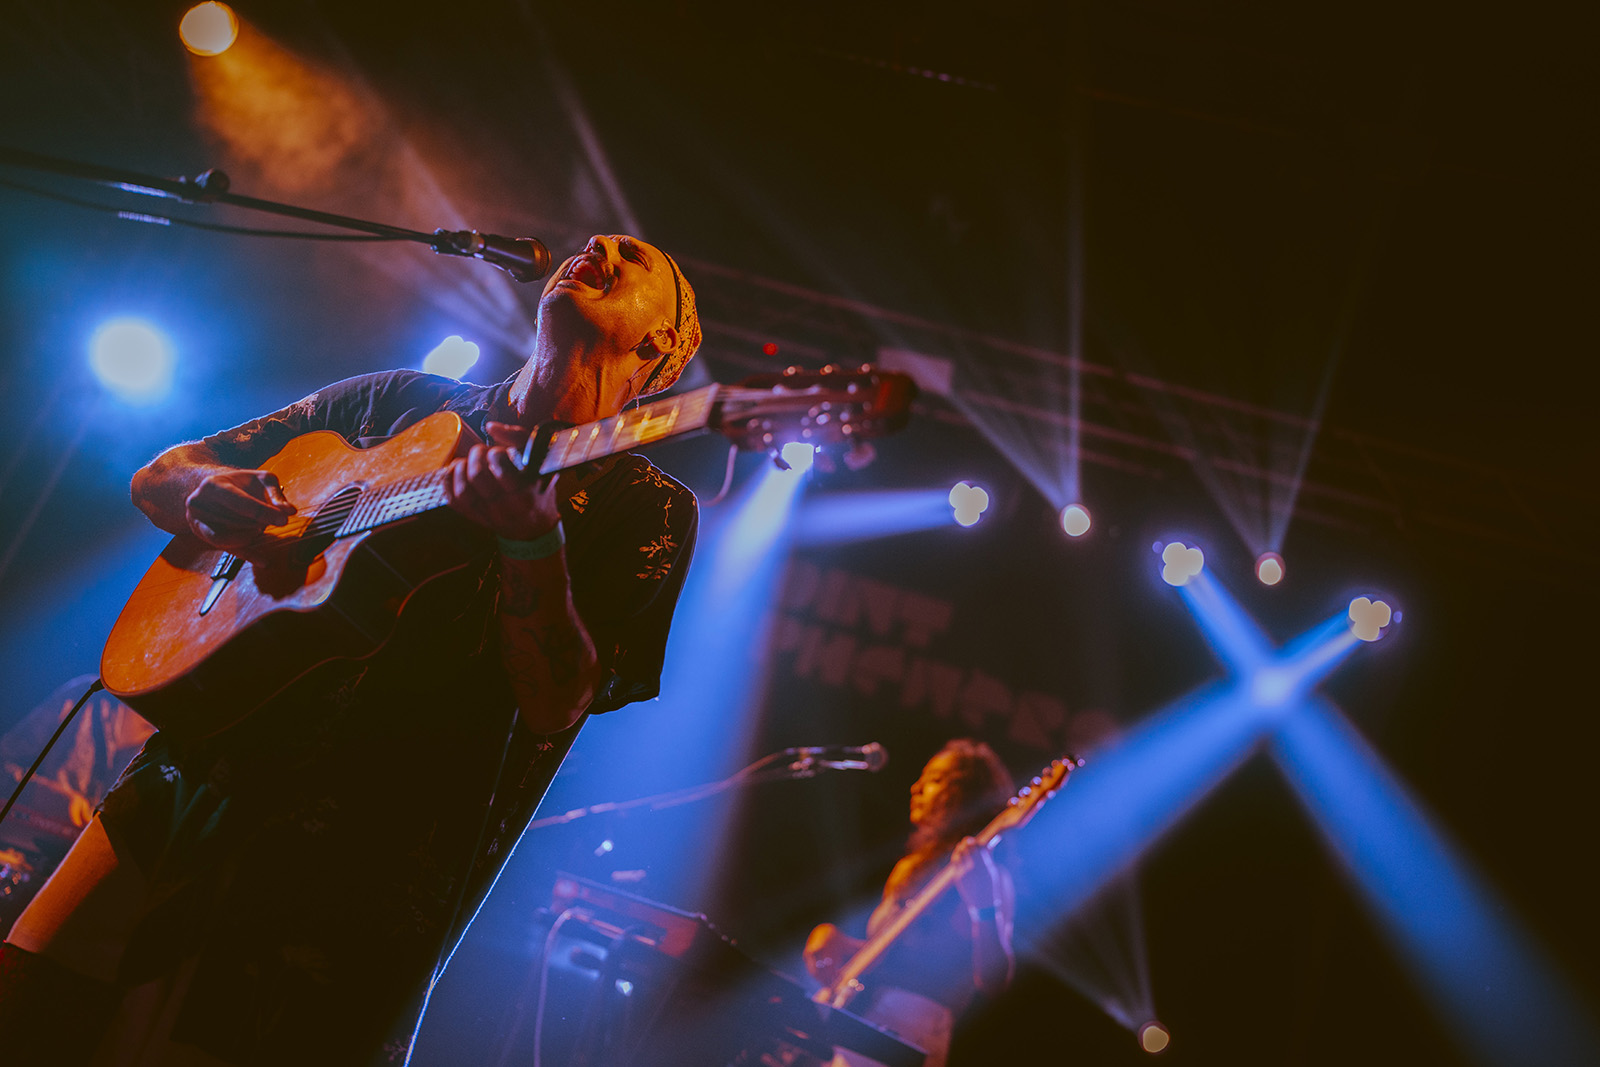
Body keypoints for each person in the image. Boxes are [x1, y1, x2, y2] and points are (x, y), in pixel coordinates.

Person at [0, 234, 703, 1065]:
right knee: (26, 1010)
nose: (599, 245)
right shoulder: (400, 399)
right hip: (194, 775)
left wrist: (532, 546)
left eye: (633, 256)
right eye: (598, 238)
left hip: (364, 865)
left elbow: (556, 703)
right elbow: (162, 472)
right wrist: (203, 493)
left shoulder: (646, 507)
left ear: (662, 340)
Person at [803, 739, 1016, 1067]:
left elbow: (994, 981)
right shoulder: (908, 868)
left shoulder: (986, 874)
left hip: (911, 1030)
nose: (916, 788)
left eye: (935, 780)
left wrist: (985, 906)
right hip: (859, 1016)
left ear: (965, 795)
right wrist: (837, 941)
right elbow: (894, 955)